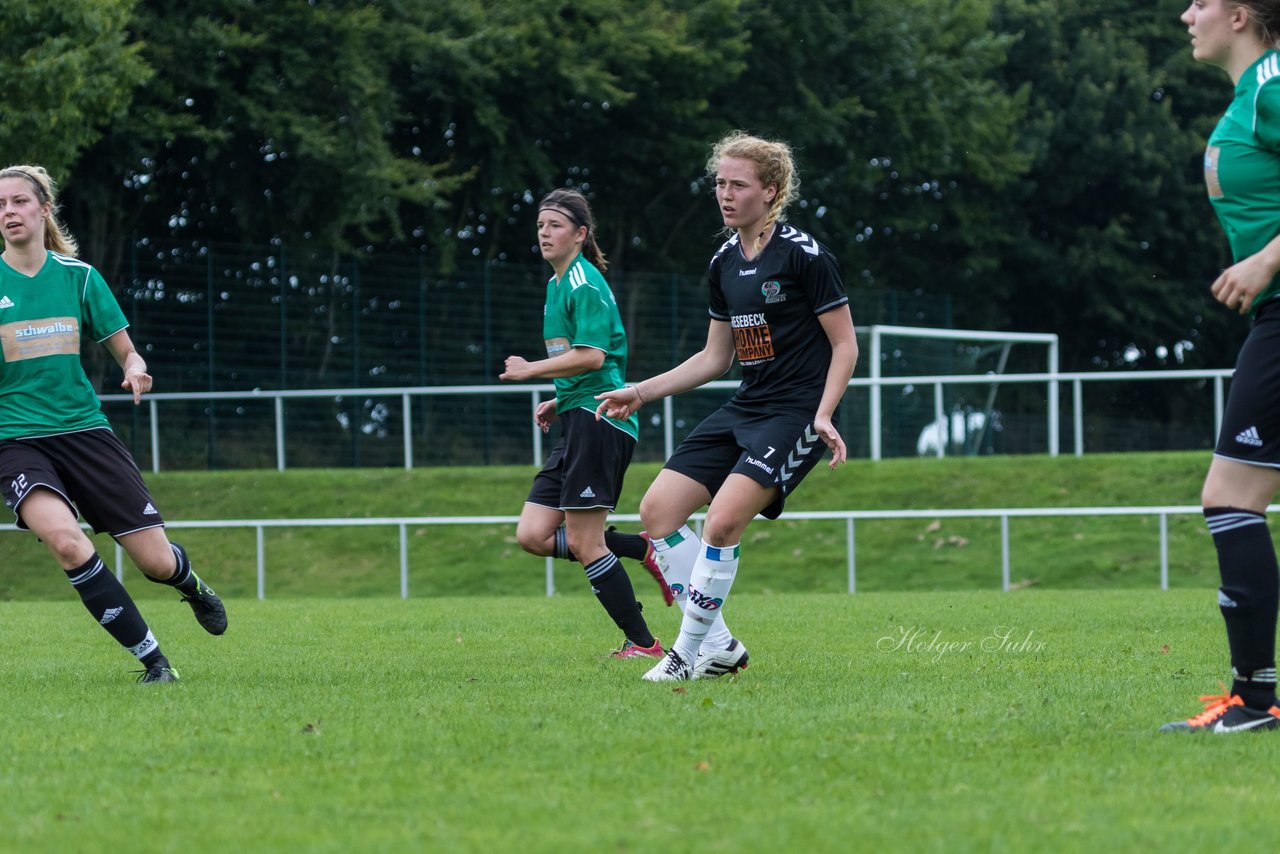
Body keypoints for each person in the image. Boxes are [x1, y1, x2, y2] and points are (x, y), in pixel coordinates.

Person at [596, 131, 858, 681]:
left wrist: (824, 414)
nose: (725, 193)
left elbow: (845, 344)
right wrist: (640, 391)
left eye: (738, 184)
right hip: (748, 406)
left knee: (720, 524)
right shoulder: (723, 262)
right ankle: (720, 647)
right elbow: (716, 357)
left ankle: (686, 656)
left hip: (795, 414)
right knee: (658, 511)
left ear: (771, 190)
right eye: (720, 183)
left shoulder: (804, 255)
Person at [0, 164, 226, 684]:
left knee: (156, 563)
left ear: (43, 209)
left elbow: (126, 351)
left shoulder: (78, 277)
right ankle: (155, 662)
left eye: (19, 202)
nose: (9, 213)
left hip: (84, 432)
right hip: (15, 441)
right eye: (2, 207)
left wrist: (135, 367)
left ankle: (191, 584)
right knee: (66, 542)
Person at [1162, 0, 1280, 732]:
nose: (1186, 15)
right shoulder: (1255, 90)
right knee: (1232, 497)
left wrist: (1267, 259)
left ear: (1239, 14)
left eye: (1201, 3)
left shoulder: (1272, 83)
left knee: (1230, 496)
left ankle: (1257, 700)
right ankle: (1254, 698)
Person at [499, 187, 672, 660]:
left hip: (601, 421)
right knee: (533, 534)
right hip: (577, 416)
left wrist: (531, 371)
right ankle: (642, 550)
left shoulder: (583, 282)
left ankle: (645, 645)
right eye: (540, 226)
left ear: (580, 234)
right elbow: (582, 361)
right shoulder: (557, 285)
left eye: (555, 225)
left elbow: (595, 356)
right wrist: (558, 401)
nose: (545, 234)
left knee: (583, 541)